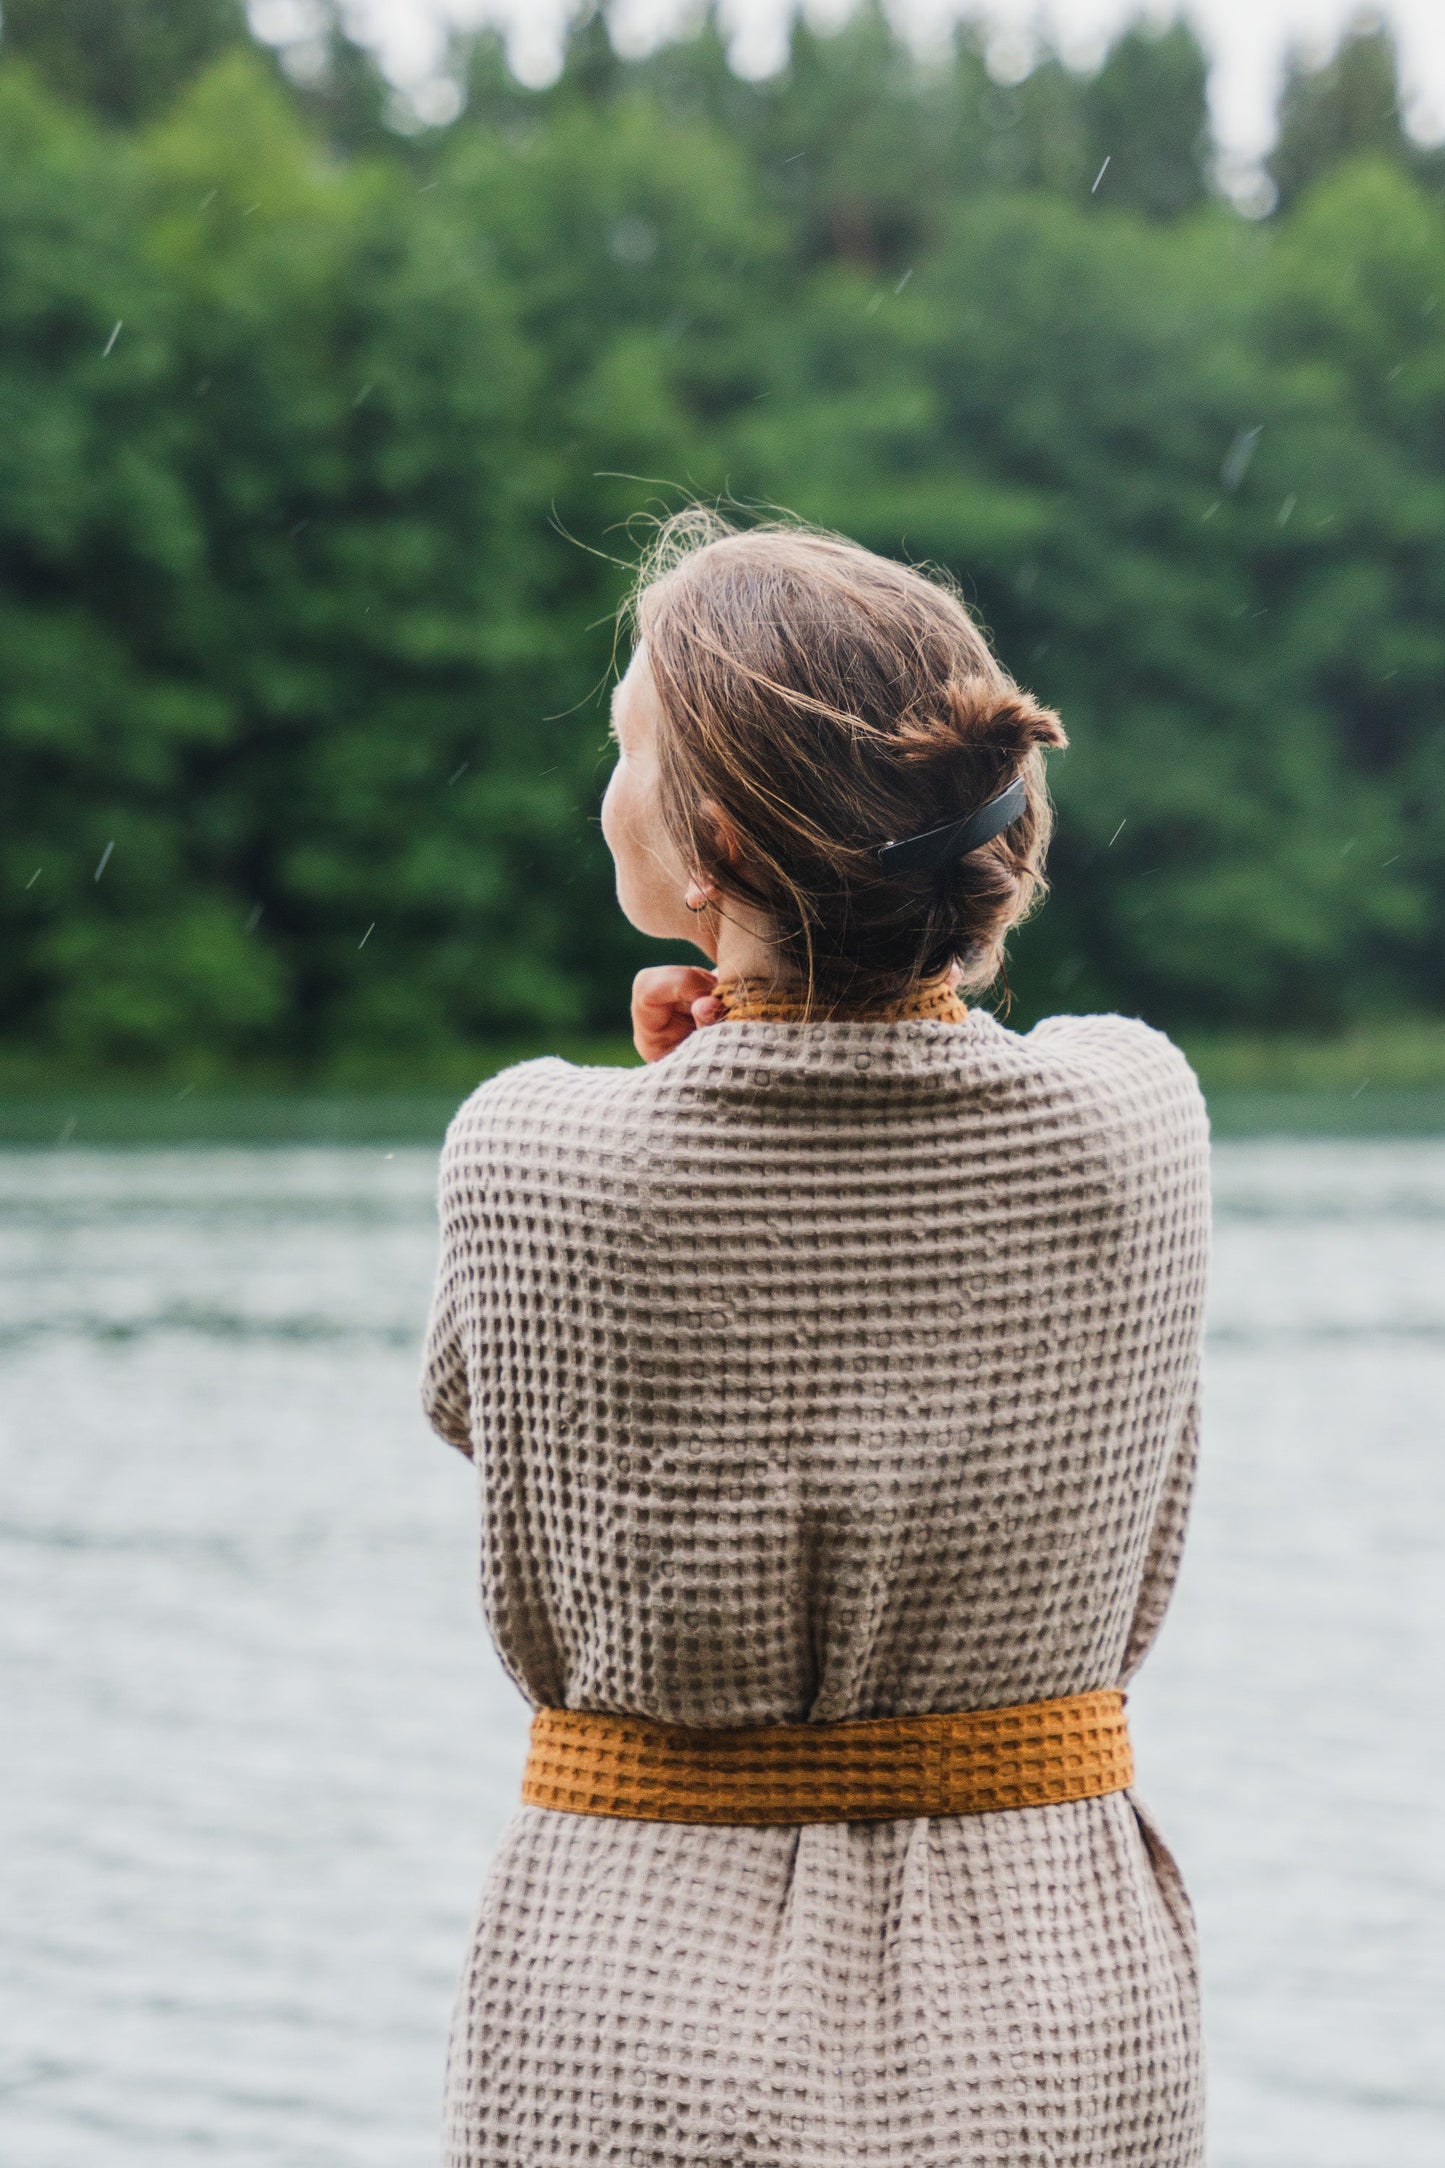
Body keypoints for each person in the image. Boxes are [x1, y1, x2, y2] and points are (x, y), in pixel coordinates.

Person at [421, 510, 1211, 2167]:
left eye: (624, 744)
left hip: (632, 2001)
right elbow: (943, 1120)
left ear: (705, 844)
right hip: (1048, 2000)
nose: (601, 786)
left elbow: (479, 1407)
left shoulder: (529, 1150)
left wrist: (683, 1090)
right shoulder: (1136, 1115)